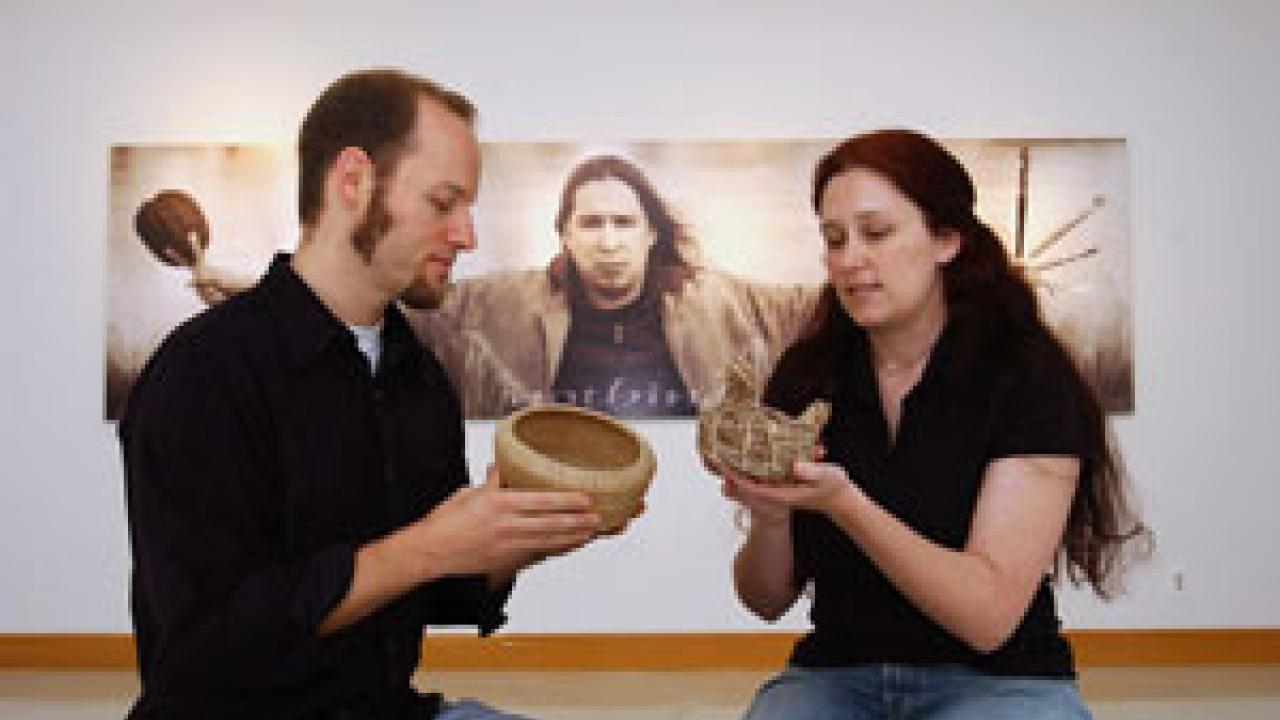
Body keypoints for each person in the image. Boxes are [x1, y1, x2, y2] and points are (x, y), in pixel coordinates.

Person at [119, 68, 613, 720]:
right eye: (443, 203)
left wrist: (511, 539)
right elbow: (208, 642)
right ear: (353, 182)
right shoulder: (202, 374)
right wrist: (431, 544)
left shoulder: (419, 379)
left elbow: (434, 593)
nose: (466, 236)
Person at [709, 129, 1149, 719]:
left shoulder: (1027, 378)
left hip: (997, 681)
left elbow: (987, 619)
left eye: (877, 233)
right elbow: (765, 601)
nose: (850, 260)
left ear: (946, 238)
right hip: (838, 675)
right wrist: (770, 517)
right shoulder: (809, 375)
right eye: (834, 240)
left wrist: (845, 503)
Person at [408, 155, 820, 418]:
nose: (608, 243)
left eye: (623, 223)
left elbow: (816, 306)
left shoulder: (715, 300)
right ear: (565, 235)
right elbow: (405, 307)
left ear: (651, 233)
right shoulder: (501, 303)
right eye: (591, 224)